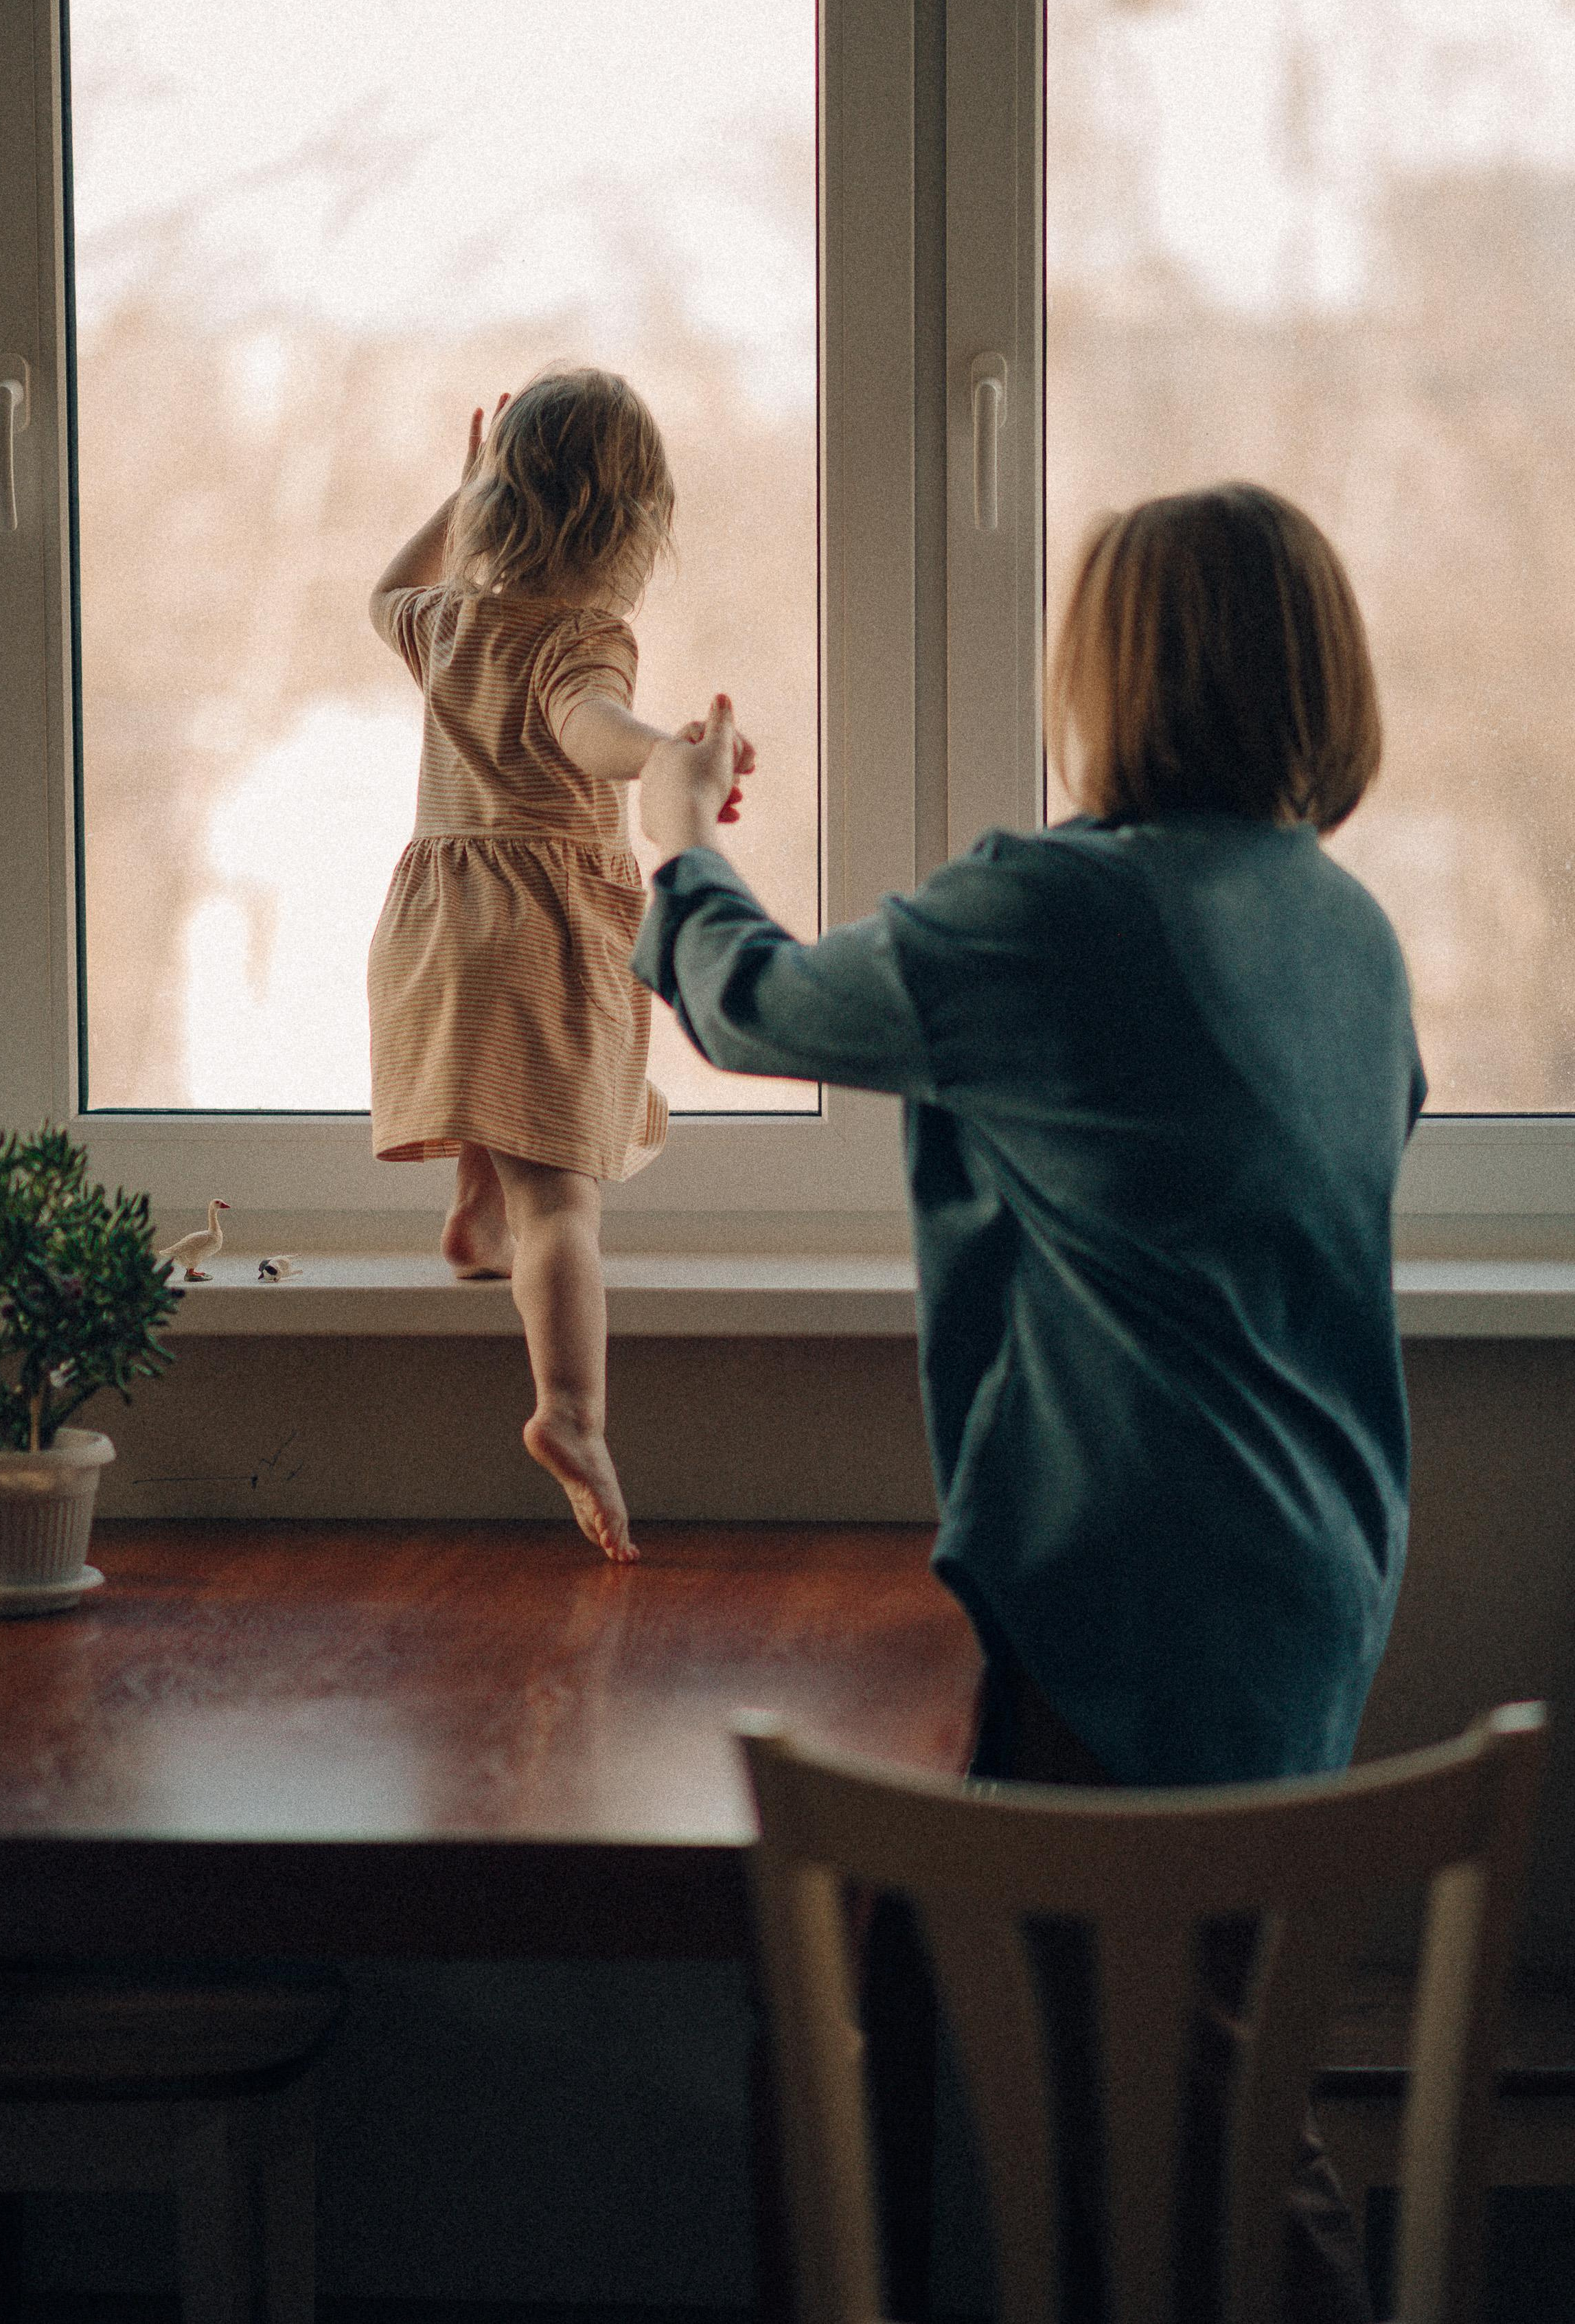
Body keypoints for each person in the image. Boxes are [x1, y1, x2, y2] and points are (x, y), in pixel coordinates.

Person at [633, 483, 1423, 2321]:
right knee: (1179, 2089)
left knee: (1188, 2142)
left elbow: (758, 1005)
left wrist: (674, 842)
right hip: (1311, 1570)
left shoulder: (1061, 910)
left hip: (1141, 1594)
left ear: (1111, 673)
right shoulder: (1345, 927)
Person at [367, 369, 751, 1564]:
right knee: (565, 1203)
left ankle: (473, 1221)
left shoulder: (448, 624)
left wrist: (457, 496)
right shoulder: (581, 637)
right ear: (632, 527)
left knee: (502, 1119)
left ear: (496, 506)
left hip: (438, 924)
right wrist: (666, 753)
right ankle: (571, 1410)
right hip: (539, 925)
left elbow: (384, 595)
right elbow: (587, 727)